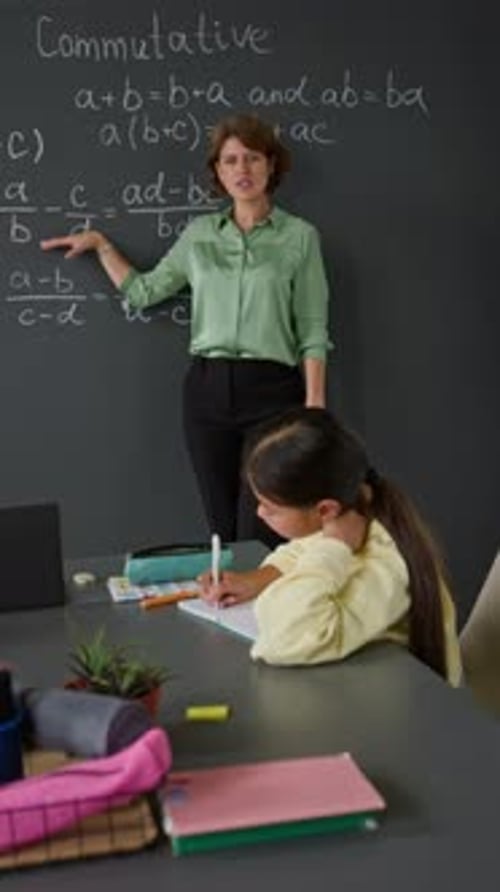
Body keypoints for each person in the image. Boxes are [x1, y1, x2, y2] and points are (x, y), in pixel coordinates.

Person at [40, 114, 331, 547]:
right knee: (220, 522)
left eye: (252, 158)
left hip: (272, 392)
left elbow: (312, 326)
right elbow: (145, 292)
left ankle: (264, 591)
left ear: (271, 165)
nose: (242, 169)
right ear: (218, 172)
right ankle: (226, 590)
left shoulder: (300, 237)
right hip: (206, 391)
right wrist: (101, 246)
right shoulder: (199, 235)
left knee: (265, 521)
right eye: (230, 160)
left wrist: (315, 403)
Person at [198, 407, 462, 685]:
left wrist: (334, 549)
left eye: (271, 508)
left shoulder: (385, 566)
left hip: (415, 703)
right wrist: (256, 580)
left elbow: (285, 637)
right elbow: (302, 550)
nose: (260, 513)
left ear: (325, 509)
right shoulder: (353, 511)